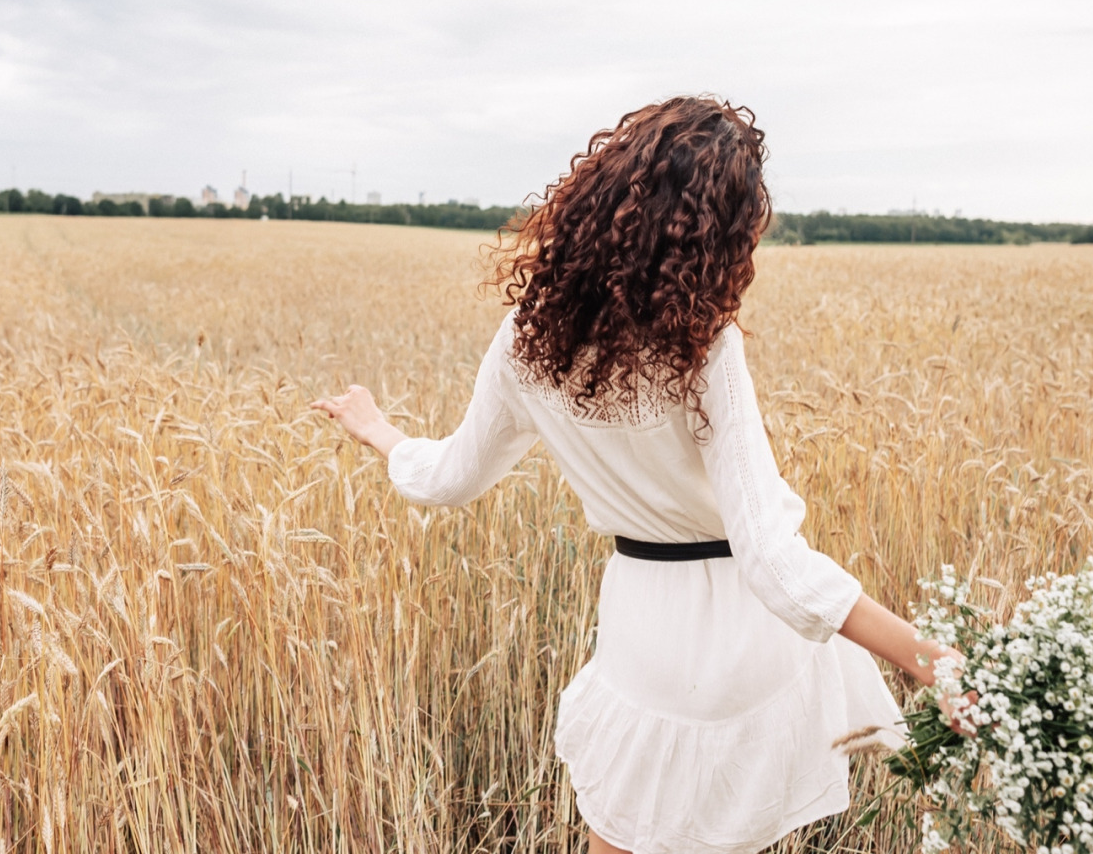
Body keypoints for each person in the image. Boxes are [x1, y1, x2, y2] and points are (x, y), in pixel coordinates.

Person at [313, 96, 966, 854]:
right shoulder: (704, 349)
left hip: (642, 633)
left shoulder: (528, 340)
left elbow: (450, 478)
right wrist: (932, 660)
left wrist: (379, 430)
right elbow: (771, 559)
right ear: (715, 238)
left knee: (619, 833)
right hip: (743, 643)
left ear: (605, 197)